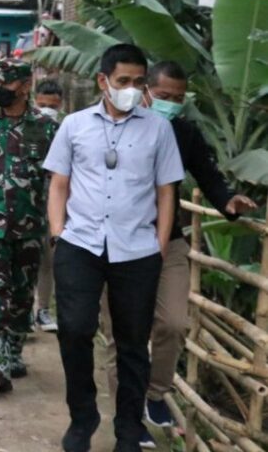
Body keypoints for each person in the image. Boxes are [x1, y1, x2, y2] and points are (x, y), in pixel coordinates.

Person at [102, 61, 257, 449]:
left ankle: (155, 395)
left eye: (178, 98)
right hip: (117, 244)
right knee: (122, 338)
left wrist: (227, 202)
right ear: (146, 91)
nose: (171, 103)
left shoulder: (183, 133)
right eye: (164, 96)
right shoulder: (113, 128)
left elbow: (207, 174)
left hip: (167, 241)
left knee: (173, 322)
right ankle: (129, 417)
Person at [43, 44, 184, 452]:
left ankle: (127, 430)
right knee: (74, 329)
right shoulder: (74, 125)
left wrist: (158, 246)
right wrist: (57, 234)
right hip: (80, 243)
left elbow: (166, 192)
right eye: (123, 81)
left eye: (139, 82)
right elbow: (59, 184)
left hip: (137, 249)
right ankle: (82, 417)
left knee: (132, 343)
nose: (132, 89)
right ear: (103, 81)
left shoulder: (158, 129)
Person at [0, 60, 58, 394]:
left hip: (30, 227)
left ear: (26, 85)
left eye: (7, 83)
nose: (0, 88)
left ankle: (14, 350)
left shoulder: (46, 128)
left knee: (21, 294)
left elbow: (56, 180)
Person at [33, 78, 65, 333]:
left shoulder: (67, 130)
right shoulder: (26, 128)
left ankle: (42, 309)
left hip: (53, 205)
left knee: (48, 260)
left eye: (52, 106)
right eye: (42, 105)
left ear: (60, 105)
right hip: (23, 204)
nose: (47, 110)